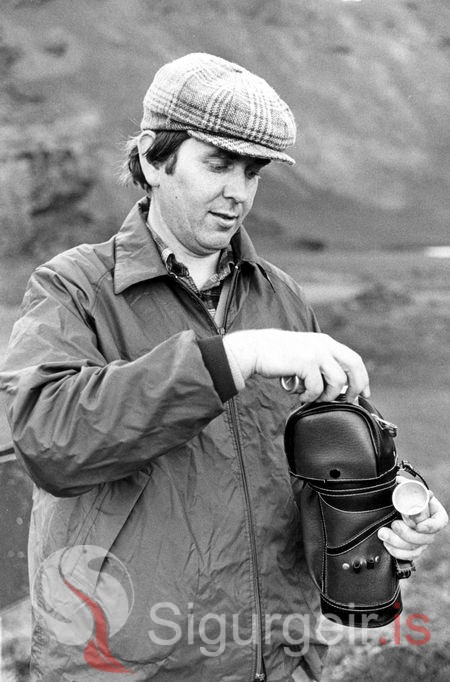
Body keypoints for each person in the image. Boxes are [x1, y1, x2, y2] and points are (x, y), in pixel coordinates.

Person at [0, 53, 447, 682]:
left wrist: (395, 508)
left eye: (252, 171)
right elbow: (48, 438)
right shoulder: (73, 288)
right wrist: (235, 356)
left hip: (278, 663)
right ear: (153, 158)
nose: (238, 192)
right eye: (217, 164)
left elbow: (336, 462)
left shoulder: (282, 297)